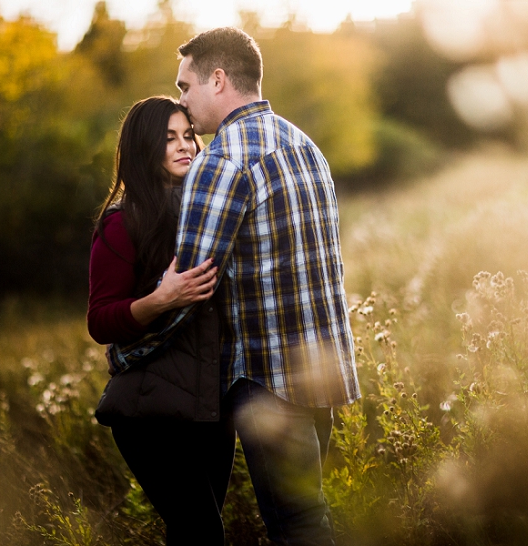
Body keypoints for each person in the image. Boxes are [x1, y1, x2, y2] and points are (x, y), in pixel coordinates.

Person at [109, 27, 361, 545]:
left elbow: (189, 287)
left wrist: (128, 354)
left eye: (185, 86)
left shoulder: (221, 160)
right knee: (311, 514)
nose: (181, 99)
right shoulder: (303, 144)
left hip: (270, 380)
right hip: (323, 367)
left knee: (296, 524)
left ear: (217, 79)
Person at [87, 96, 236, 545]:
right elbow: (100, 320)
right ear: (142, 148)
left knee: (192, 536)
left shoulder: (210, 213)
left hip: (210, 408)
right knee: (204, 537)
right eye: (168, 138)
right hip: (149, 413)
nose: (184, 145)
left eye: (188, 135)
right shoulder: (122, 223)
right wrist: (161, 299)